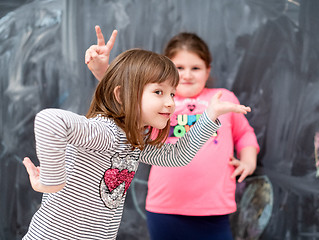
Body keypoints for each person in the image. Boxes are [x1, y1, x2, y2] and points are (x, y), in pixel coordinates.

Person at [22, 48, 252, 240]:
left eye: (172, 94)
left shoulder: (132, 140)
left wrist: (209, 116)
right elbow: (49, 120)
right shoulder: (107, 132)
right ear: (121, 96)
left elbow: (177, 156)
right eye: (159, 92)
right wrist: (53, 182)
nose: (170, 102)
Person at [85, 26, 259, 240]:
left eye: (195, 68)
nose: (186, 74)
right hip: (165, 206)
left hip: (214, 206)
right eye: (179, 67)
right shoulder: (156, 100)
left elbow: (245, 134)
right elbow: (125, 105)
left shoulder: (223, 99)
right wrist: (103, 73)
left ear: (208, 70)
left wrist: (249, 161)